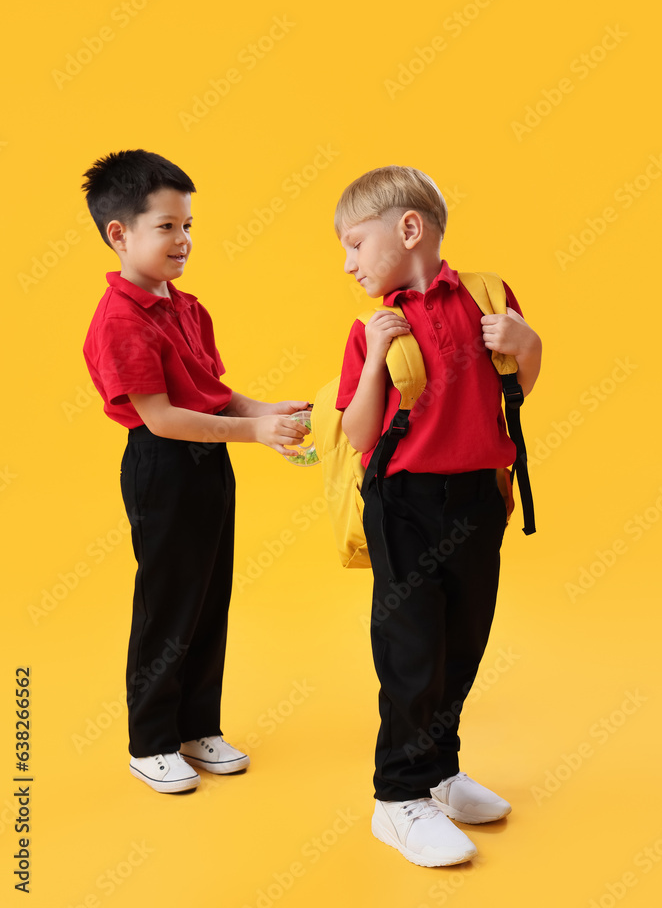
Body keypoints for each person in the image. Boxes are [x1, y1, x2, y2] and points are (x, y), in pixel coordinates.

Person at [82, 149, 308, 794]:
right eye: (166, 226)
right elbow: (162, 419)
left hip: (210, 462)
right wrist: (254, 432)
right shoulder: (120, 319)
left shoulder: (186, 307)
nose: (183, 240)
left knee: (210, 595)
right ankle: (150, 740)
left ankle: (196, 725)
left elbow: (210, 392)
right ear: (119, 234)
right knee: (167, 603)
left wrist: (266, 412)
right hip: (163, 466)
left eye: (187, 226)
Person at [334, 165, 541, 867]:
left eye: (356, 243)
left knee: (461, 642)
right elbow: (360, 436)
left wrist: (527, 344)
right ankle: (395, 800)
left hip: (479, 498)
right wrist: (369, 368)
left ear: (409, 229)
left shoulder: (486, 296)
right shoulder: (375, 328)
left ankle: (440, 777)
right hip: (404, 504)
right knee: (411, 651)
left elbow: (516, 384)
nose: (348, 261)